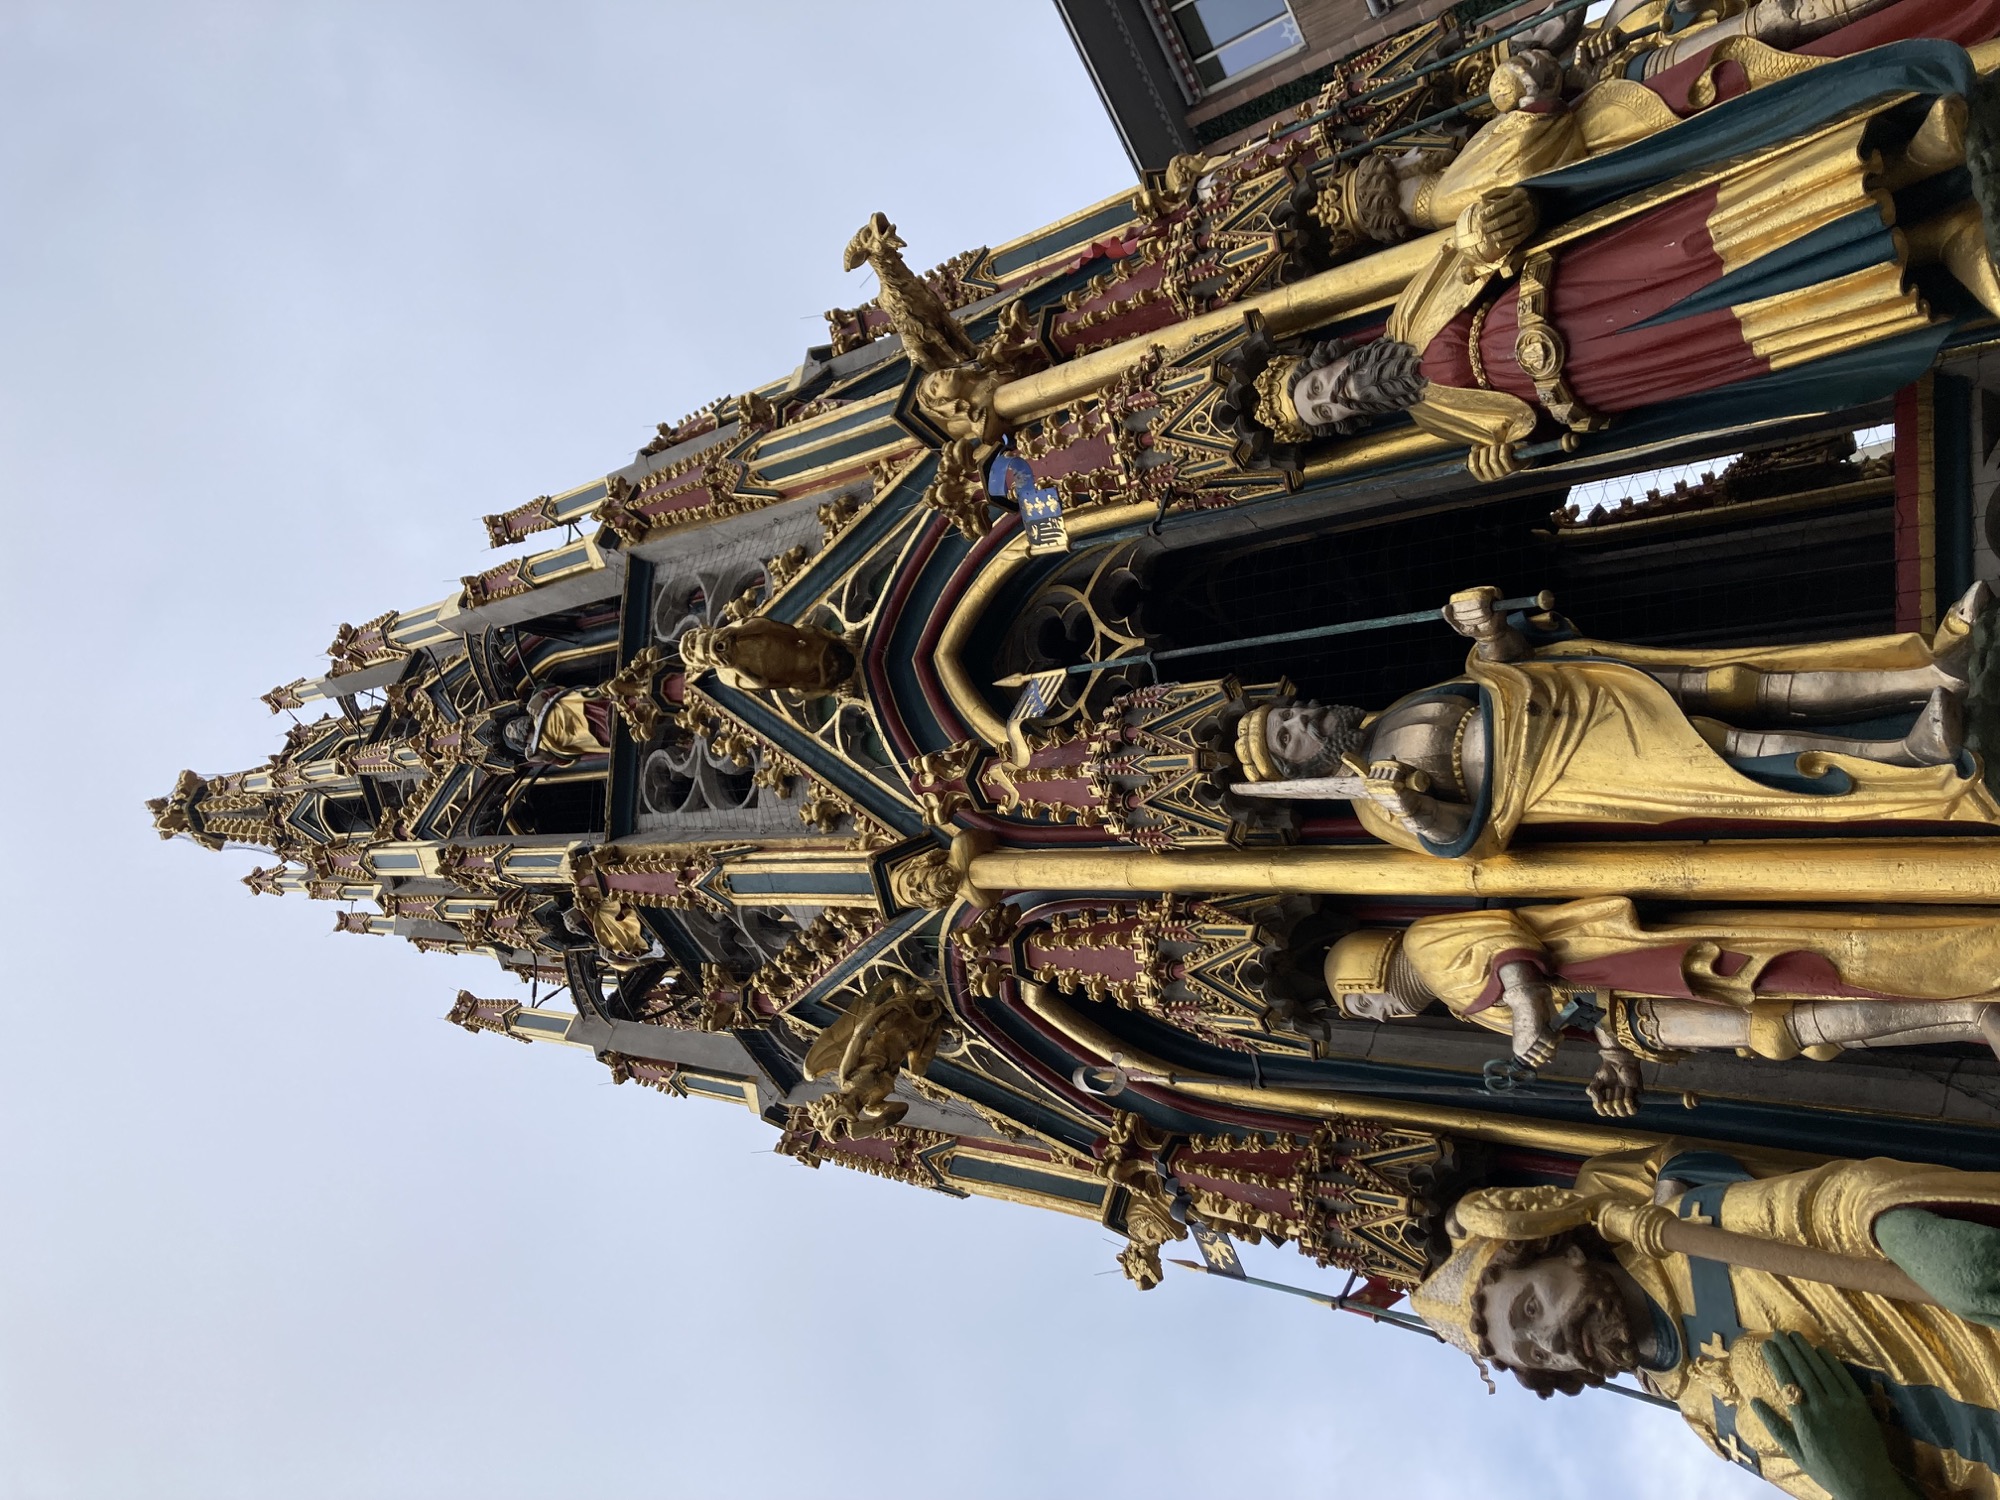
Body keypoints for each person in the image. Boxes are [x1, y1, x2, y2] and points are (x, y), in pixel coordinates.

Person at [1230, 582, 1995, 858]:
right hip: (1565, 769)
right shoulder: (1372, 811)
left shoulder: (1391, 710)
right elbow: (1471, 842)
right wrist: (1420, 807)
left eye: (1289, 713)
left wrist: (1484, 628)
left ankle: (1929, 671)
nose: (1301, 720)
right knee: (1733, 753)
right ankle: (1908, 751)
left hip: (1570, 696)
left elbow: (1492, 673)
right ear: (1303, 771)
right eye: (1289, 737)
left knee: (1737, 681)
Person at [1410, 1146, 2000, 1497]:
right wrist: (1862, 1483)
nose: (1551, 1340)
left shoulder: (1687, 1235)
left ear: (1567, 1253)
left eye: (1531, 1309)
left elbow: (1823, 1208)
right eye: (1536, 1355)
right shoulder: (1709, 1417)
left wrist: (1906, 1232)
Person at [1318, 901, 2000, 1115]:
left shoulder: (1427, 947)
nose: (1384, 1016)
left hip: (1650, 979)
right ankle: (1970, 1019)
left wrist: (1527, 1012)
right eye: (1373, 1017)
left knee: (1788, 1021)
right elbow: (1581, 1008)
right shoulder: (1461, 1007)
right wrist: (1616, 1063)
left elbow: (1509, 948)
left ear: (1371, 970)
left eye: (1370, 1004)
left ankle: (1971, 1009)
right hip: (1637, 1017)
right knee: (1794, 1035)